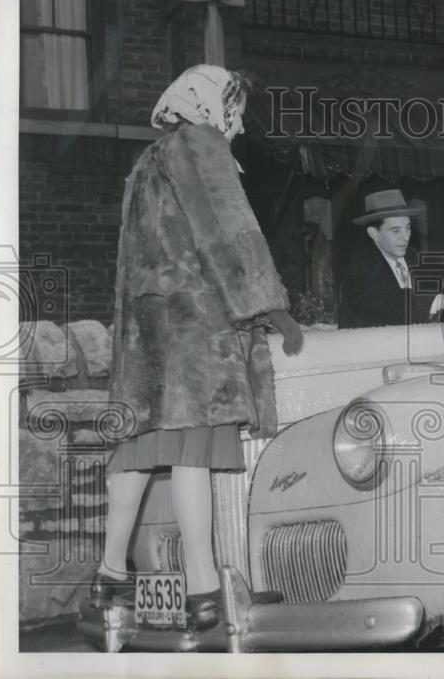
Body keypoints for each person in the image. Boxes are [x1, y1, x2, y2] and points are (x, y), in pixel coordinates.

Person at [93, 64, 303, 630]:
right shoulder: (200, 145)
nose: (237, 123)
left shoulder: (150, 158)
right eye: (234, 109)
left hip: (149, 335)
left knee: (142, 450)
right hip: (193, 333)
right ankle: (204, 589)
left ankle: (111, 577)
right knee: (191, 455)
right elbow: (228, 230)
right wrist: (273, 307)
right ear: (213, 104)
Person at [337, 189, 444, 328]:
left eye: (407, 228)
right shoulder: (361, 266)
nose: (405, 237)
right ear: (374, 234)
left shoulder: (410, 256)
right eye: (395, 231)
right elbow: (392, 302)